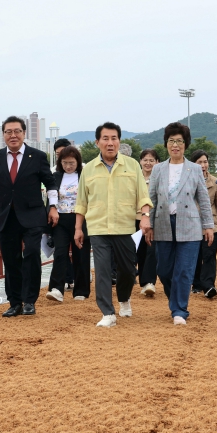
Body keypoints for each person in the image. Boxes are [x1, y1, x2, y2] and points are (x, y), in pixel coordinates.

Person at [0, 116, 58, 317]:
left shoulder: (37, 156)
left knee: (31, 254)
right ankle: (15, 302)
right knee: (11, 259)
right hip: (7, 216)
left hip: (33, 215)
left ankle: (29, 301)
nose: (13, 135)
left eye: (17, 131)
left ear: (24, 133)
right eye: (8, 132)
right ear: (3, 135)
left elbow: (50, 183)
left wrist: (53, 207)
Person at [74, 122, 152, 328]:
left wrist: (145, 216)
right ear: (97, 142)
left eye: (114, 138)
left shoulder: (132, 165)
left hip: (125, 227)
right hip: (98, 227)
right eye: (105, 139)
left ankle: (124, 298)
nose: (110, 143)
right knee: (102, 271)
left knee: (127, 270)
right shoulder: (89, 169)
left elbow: (143, 195)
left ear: (119, 141)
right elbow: (81, 202)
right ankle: (107, 313)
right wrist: (78, 228)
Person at [147, 123, 214, 325]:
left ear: (185, 144)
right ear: (166, 144)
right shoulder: (158, 169)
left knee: (184, 270)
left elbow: (203, 199)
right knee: (164, 270)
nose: (175, 145)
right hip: (163, 224)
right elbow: (151, 199)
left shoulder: (195, 169)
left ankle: (179, 310)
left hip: (189, 225)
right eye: (171, 141)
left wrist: (208, 225)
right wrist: (149, 224)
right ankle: (175, 301)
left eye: (179, 141)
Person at [45, 146, 91, 302]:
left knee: (81, 254)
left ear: (78, 162)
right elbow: (50, 198)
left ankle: (81, 290)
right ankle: (56, 288)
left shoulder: (85, 175)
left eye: (71, 163)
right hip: (61, 220)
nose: (68, 166)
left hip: (81, 219)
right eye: (65, 163)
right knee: (60, 253)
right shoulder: (56, 177)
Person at [190, 149, 217, 299]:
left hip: (212, 225)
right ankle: (196, 284)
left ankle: (208, 285)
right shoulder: (187, 181)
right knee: (195, 256)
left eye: (205, 162)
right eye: (199, 162)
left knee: (209, 255)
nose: (203, 165)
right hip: (192, 225)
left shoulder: (215, 182)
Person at [51, 137, 75, 290]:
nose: (60, 156)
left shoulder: (82, 171)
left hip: (78, 217)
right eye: (57, 154)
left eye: (63, 152)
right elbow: (50, 195)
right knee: (60, 251)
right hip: (59, 217)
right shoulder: (54, 172)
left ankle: (79, 280)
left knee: (79, 250)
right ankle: (61, 283)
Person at [137, 149, 160, 296]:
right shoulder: (135, 177)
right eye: (145, 160)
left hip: (154, 219)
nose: (148, 163)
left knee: (152, 251)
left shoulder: (159, 178)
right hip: (136, 218)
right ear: (140, 161)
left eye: (151, 160)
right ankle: (142, 281)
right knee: (139, 252)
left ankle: (149, 282)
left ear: (157, 162)